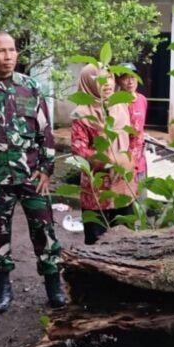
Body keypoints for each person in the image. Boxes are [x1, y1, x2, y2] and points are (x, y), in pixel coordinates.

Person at [0, 31, 65, 312]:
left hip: (32, 177)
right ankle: (3, 289)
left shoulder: (31, 87)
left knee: (45, 230)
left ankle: (54, 286)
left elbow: (45, 131)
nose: (8, 57)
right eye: (1, 51)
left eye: (12, 50)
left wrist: (46, 168)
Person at [72, 64, 139, 244]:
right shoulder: (82, 114)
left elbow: (136, 137)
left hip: (123, 182)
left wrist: (129, 160)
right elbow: (79, 150)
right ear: (88, 83)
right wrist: (108, 160)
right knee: (97, 241)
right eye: (99, 79)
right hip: (97, 187)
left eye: (109, 77)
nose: (107, 83)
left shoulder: (123, 105)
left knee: (127, 239)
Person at [116, 62, 148, 184]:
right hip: (122, 161)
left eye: (133, 77)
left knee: (141, 197)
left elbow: (141, 127)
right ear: (118, 81)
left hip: (140, 160)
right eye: (125, 78)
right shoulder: (115, 103)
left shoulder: (142, 100)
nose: (130, 82)